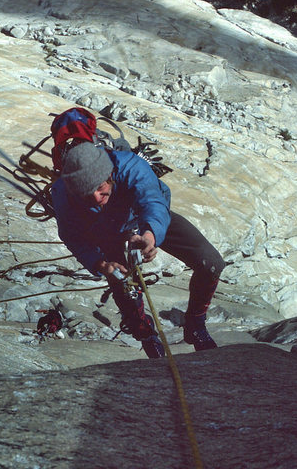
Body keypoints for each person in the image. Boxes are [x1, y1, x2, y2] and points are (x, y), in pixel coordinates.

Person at [51, 141, 225, 358]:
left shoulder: (131, 168)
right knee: (124, 286)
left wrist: (150, 236)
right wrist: (101, 264)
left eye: (100, 189)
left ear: (110, 176)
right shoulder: (62, 193)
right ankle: (145, 334)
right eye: (87, 193)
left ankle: (196, 326)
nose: (96, 198)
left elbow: (152, 201)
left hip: (143, 219)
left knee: (211, 263)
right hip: (106, 231)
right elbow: (73, 236)